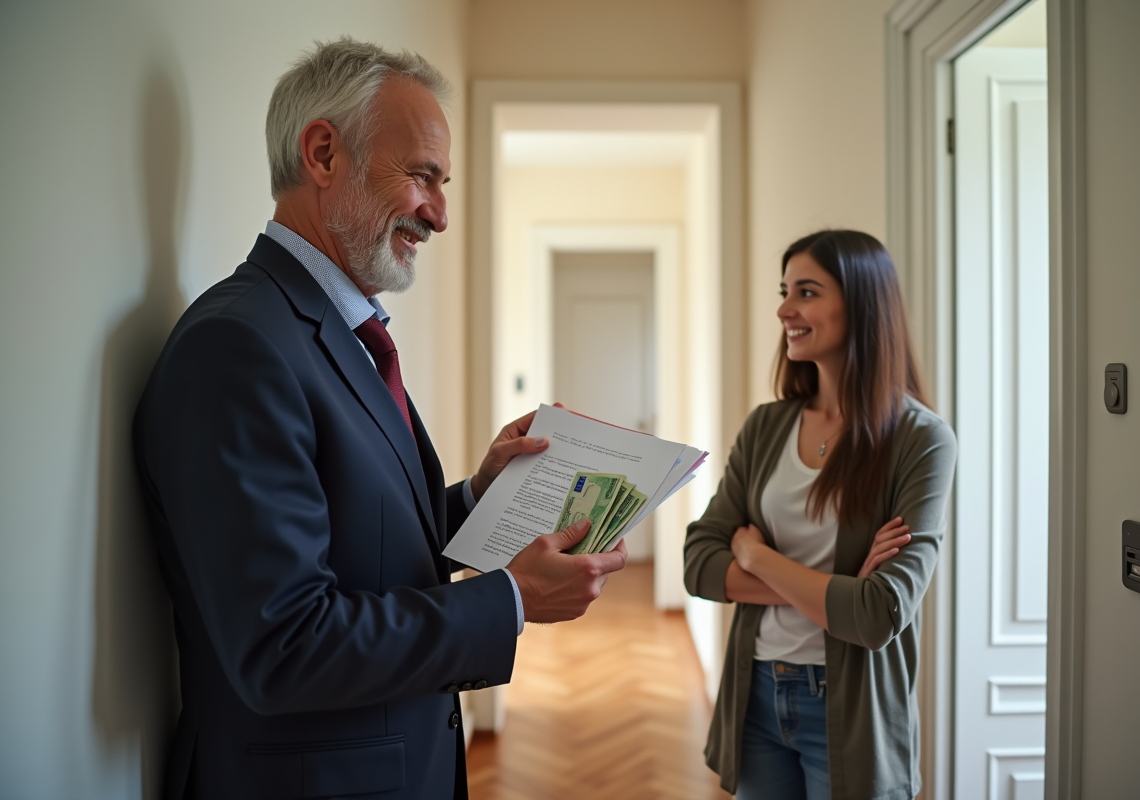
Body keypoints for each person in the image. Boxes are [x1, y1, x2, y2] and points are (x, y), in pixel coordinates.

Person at [133, 39, 627, 800]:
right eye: (422, 176)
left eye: (443, 183)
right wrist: (512, 601)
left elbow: (355, 536)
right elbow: (283, 646)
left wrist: (478, 495)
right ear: (323, 154)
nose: (440, 215)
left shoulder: (331, 328)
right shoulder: (236, 347)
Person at [683, 230, 957, 800]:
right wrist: (837, 591)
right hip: (756, 694)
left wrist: (755, 555)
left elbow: (878, 614)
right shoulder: (766, 427)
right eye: (784, 292)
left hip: (852, 708)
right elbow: (699, 564)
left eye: (806, 292)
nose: (785, 309)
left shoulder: (921, 440)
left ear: (862, 305)